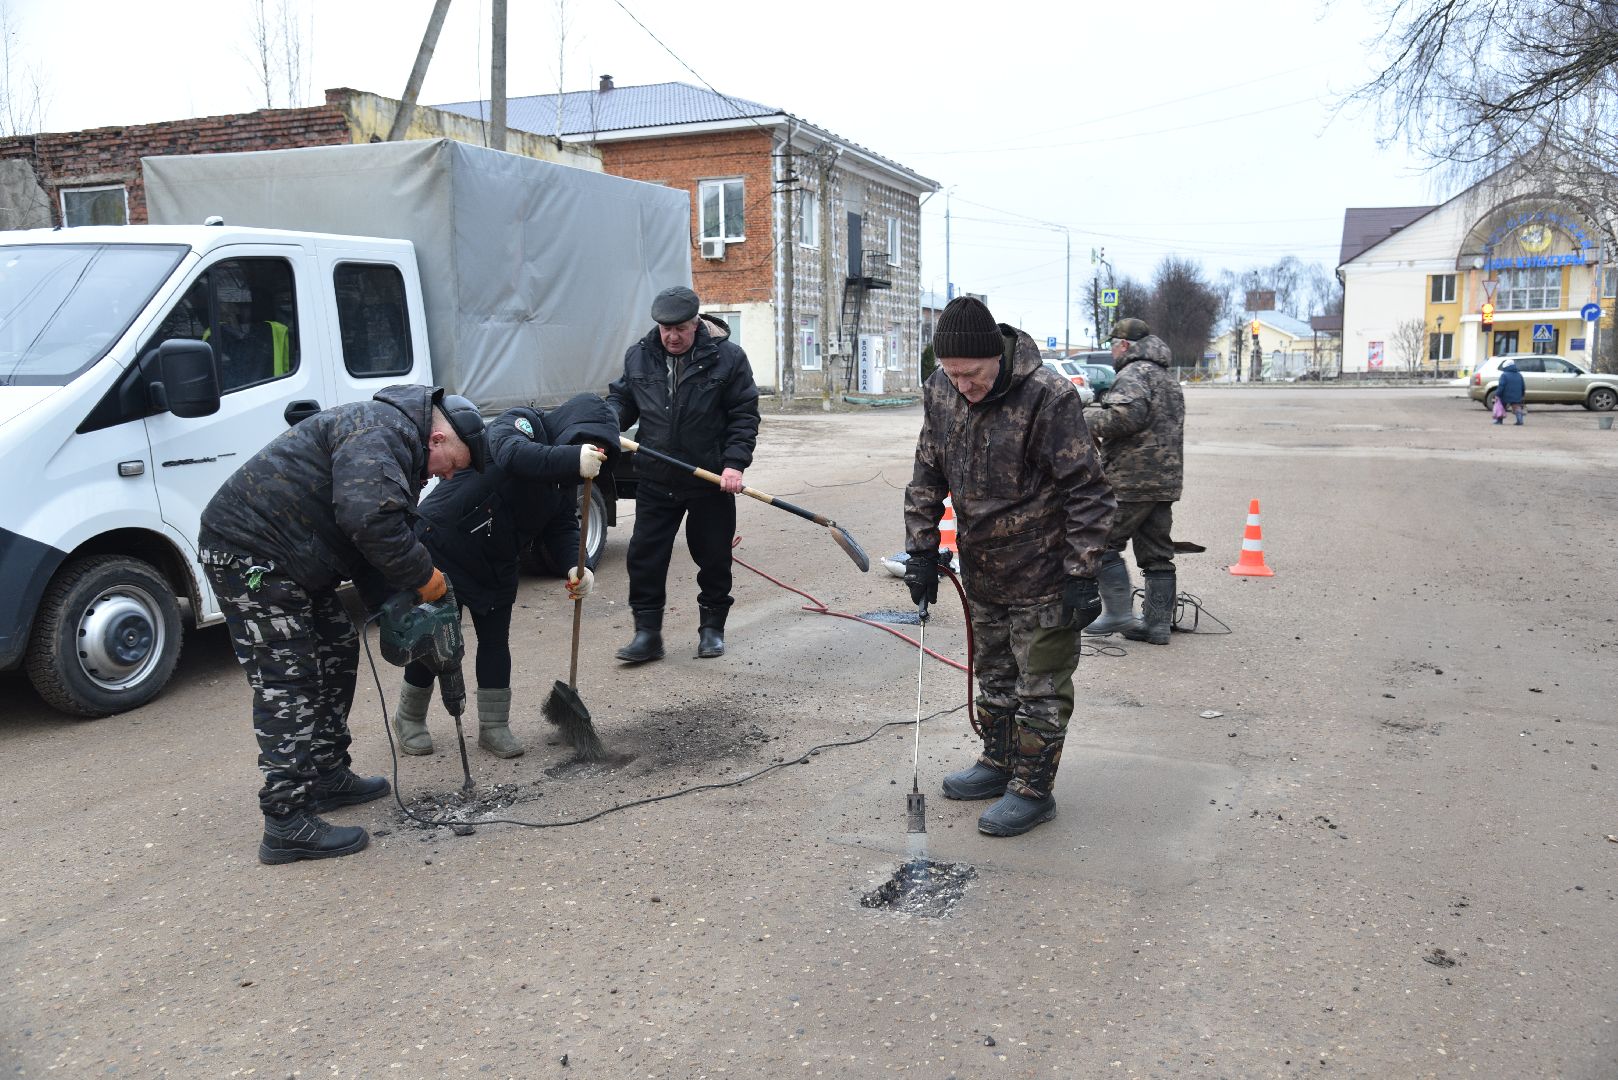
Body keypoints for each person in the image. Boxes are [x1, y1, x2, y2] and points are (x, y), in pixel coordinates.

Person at [198, 385, 489, 865]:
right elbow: (370, 523)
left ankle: (327, 774)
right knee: (287, 679)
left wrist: (402, 600)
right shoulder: (383, 432)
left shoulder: (396, 439)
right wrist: (427, 578)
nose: (448, 475)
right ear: (437, 439)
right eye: (454, 464)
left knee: (336, 646)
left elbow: (368, 542)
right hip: (251, 555)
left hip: (294, 560)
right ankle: (286, 822)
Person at [903, 296, 1115, 837]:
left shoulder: (1048, 396)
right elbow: (928, 472)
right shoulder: (940, 391)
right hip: (982, 569)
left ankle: (1032, 789)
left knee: (1040, 687)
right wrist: (922, 550)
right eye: (951, 375)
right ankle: (998, 764)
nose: (962, 386)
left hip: (1045, 572)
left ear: (996, 357)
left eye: (971, 374)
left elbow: (1088, 490)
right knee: (994, 676)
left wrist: (1083, 571)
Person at [391, 394, 618, 758]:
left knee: (495, 643)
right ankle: (409, 718)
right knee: (435, 640)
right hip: (444, 545)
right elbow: (514, 455)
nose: (588, 454)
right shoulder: (521, 423)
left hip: (497, 559)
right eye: (585, 446)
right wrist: (571, 458)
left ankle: (494, 727)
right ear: (571, 433)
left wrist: (578, 566)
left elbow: (560, 526)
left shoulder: (566, 478)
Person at [607, 286, 760, 663]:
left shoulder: (728, 359)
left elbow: (744, 415)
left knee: (713, 557)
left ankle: (711, 630)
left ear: (697, 323)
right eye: (664, 328)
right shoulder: (639, 357)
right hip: (656, 477)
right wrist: (605, 427)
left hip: (708, 480)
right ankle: (647, 635)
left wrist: (734, 464)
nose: (672, 336)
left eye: (680, 328)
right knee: (644, 556)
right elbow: (622, 402)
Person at [1082, 317, 1187, 646]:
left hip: (1131, 479)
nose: (1111, 352)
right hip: (1164, 479)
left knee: (1100, 543)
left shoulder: (1133, 373)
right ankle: (1156, 626)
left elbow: (1126, 417)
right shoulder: (1166, 378)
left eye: (1112, 345)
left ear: (1123, 345)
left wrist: (1084, 417)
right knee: (1157, 553)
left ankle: (1117, 613)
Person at [1496, 358, 1526, 425]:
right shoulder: (1519, 375)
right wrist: (1522, 394)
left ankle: (1499, 421)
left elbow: (1501, 386)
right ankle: (1520, 420)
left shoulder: (1504, 375)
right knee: (1517, 407)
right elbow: (1523, 386)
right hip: (1517, 395)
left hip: (1505, 395)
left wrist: (1497, 394)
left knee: (1501, 406)